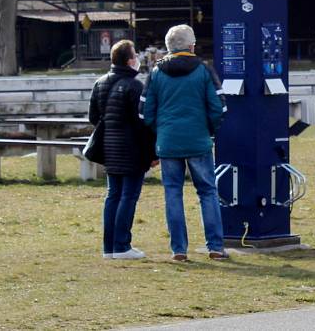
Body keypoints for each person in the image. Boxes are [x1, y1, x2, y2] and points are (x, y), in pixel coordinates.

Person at [140, 25, 228, 262]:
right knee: (208, 192)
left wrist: (161, 131)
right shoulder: (203, 70)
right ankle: (215, 247)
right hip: (198, 140)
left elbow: (145, 112)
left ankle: (179, 249)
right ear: (192, 46)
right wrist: (209, 130)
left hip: (168, 142)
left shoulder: (156, 72)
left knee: (173, 194)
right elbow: (218, 107)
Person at [89, 39, 156, 260]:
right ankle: (122, 245)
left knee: (113, 196)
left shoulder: (100, 83)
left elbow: (93, 117)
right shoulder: (135, 86)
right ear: (130, 60)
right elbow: (143, 123)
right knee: (128, 196)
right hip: (131, 150)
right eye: (135, 55)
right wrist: (152, 154)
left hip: (109, 148)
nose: (137, 59)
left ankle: (109, 246)